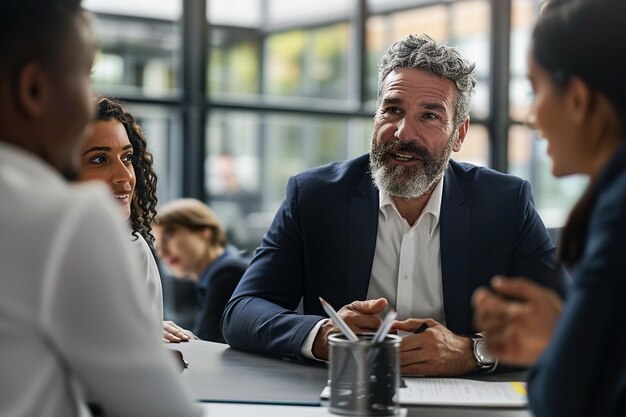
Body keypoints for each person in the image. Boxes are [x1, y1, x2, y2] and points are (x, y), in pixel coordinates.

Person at [222, 33, 566, 376]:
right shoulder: (314, 197)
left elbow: (566, 320)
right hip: (347, 395)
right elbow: (243, 310)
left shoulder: (505, 203)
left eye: (429, 116)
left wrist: (471, 351)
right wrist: (323, 335)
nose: (403, 133)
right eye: (393, 109)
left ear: (459, 134)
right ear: (376, 116)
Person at [0, 1, 204, 416]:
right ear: (34, 89)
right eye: (84, 76)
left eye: (127, 157)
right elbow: (157, 407)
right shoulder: (64, 220)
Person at [472, 0, 626, 415]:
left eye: (535, 90)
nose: (532, 117)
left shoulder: (617, 211)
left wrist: (556, 345)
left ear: (577, 98)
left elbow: (562, 402)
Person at [78, 97, 192, 343]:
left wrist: (139, 330)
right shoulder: (27, 251)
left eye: (127, 158)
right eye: (99, 159)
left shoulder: (134, 249)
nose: (125, 176)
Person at [153, 198, 249, 343]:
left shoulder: (228, 274)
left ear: (205, 232)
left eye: (168, 236)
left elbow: (207, 343)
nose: (162, 253)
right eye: (157, 244)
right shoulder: (223, 270)